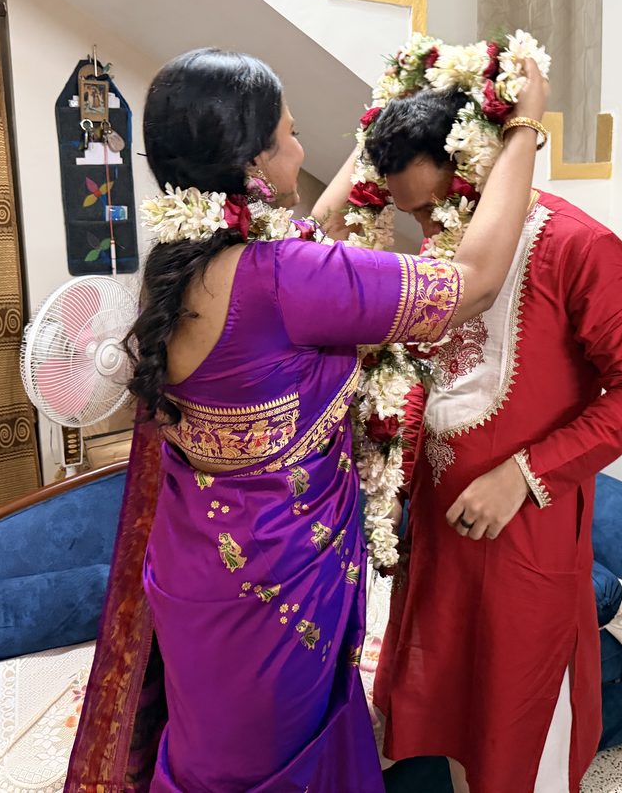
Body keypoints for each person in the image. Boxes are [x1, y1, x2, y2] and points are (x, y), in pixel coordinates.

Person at [64, 48, 549, 792]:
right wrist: (525, 129)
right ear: (254, 164)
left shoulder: (181, 258)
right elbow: (474, 283)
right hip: (277, 586)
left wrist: (378, 116)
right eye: (290, 135)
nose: (301, 148)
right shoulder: (285, 278)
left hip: (199, 566)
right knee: (276, 766)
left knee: (214, 752)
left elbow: (316, 233)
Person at [366, 88, 622, 793]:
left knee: (519, 727)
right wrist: (397, 479)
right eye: (413, 215)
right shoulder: (451, 245)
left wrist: (523, 474)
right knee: (448, 708)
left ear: (479, 165)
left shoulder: (580, 247)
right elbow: (436, 374)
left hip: (525, 534)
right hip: (440, 532)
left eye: (433, 206)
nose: (427, 228)